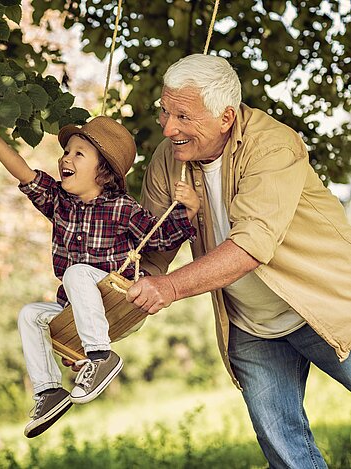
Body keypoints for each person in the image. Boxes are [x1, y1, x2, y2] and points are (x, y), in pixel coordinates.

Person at [125, 53, 351, 467]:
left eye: (182, 116)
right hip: (249, 324)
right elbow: (151, 257)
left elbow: (251, 244)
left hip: (327, 304)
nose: (168, 127)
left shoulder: (273, 145)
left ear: (225, 117)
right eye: (164, 111)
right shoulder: (168, 159)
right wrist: (93, 328)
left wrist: (172, 287)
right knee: (285, 451)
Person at [0, 115, 199, 438]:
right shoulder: (59, 203)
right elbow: (25, 174)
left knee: (76, 273)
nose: (66, 158)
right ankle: (49, 392)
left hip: (119, 301)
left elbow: (158, 238)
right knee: (30, 314)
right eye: (67, 152)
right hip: (80, 312)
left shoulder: (121, 207)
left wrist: (188, 208)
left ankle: (101, 357)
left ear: (103, 172)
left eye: (79, 153)